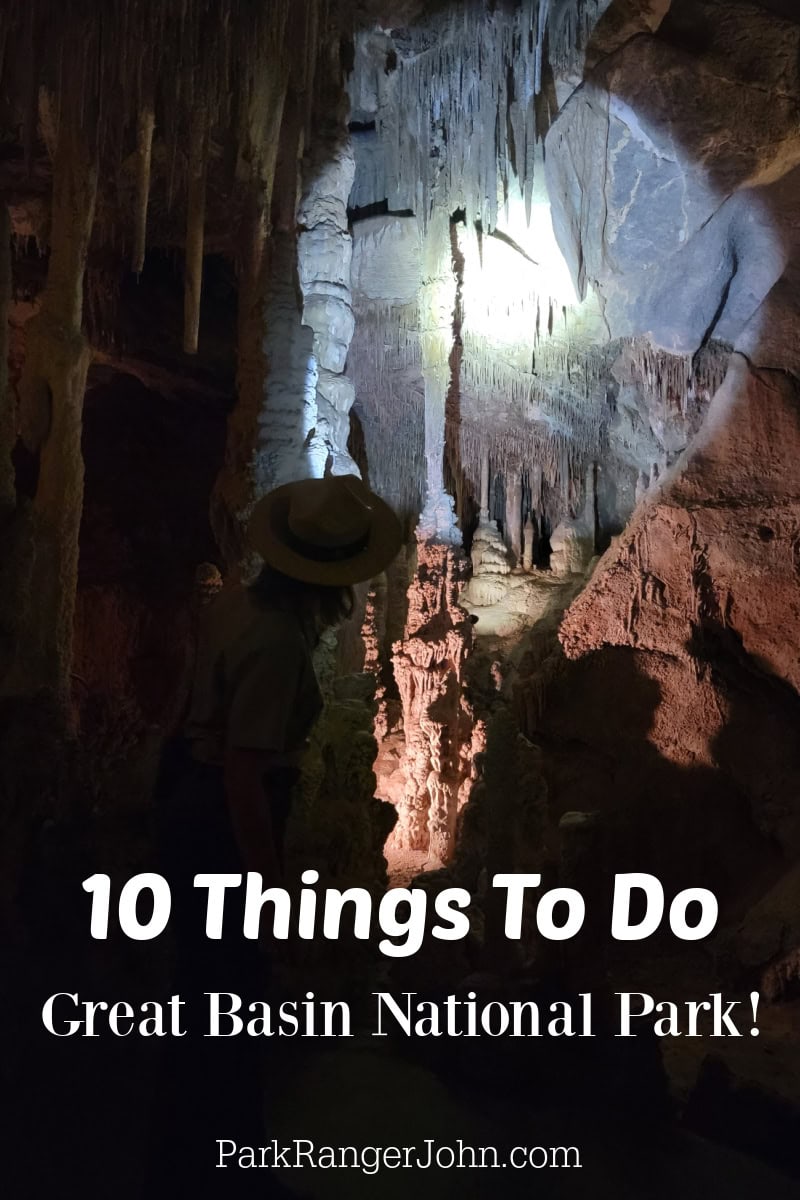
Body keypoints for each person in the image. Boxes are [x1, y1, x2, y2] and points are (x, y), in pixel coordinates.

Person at [148, 472, 402, 1196]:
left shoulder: (232, 605)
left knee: (197, 1000)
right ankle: (220, 1166)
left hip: (190, 807)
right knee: (229, 1001)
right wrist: (271, 888)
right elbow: (245, 773)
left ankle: (184, 1159)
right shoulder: (278, 646)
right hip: (228, 823)